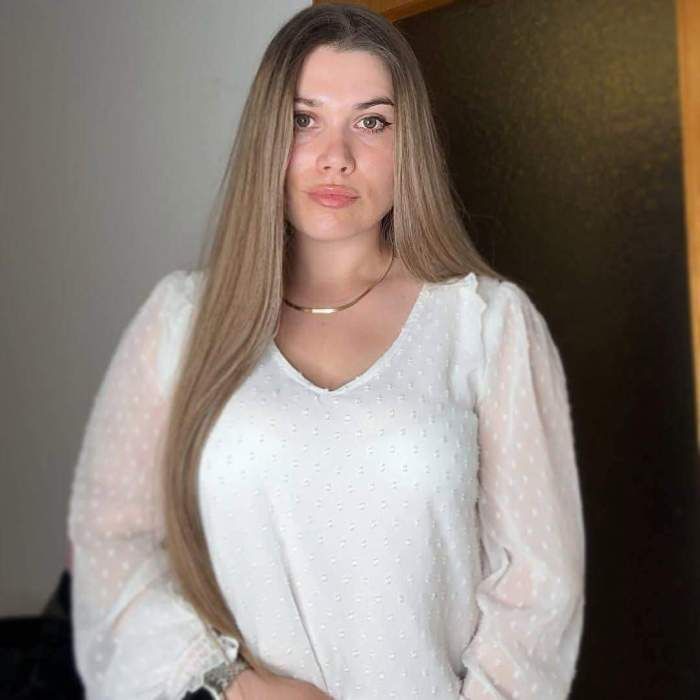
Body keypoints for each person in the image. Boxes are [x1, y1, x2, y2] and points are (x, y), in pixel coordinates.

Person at [66, 4, 586, 699]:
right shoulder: (182, 323)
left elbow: (539, 589)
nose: (335, 156)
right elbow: (109, 541)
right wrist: (234, 685)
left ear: (409, 146)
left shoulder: (489, 327)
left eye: (372, 123)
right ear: (266, 137)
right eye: (303, 119)